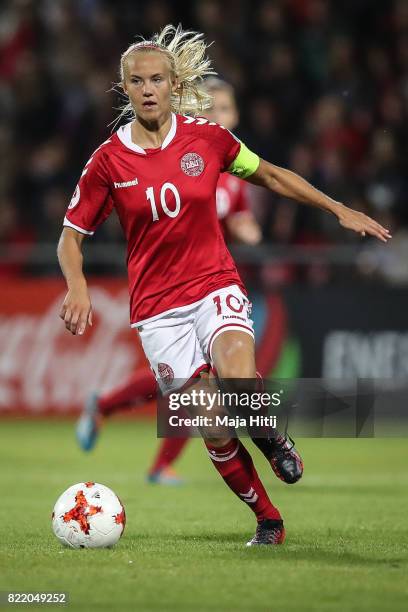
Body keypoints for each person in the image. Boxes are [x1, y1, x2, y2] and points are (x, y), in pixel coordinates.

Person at [57, 25, 390, 546]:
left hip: (214, 285)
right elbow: (70, 236)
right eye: (138, 81)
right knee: (211, 423)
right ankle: (268, 520)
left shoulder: (206, 138)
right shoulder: (107, 162)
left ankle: (273, 438)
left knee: (238, 382)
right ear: (125, 88)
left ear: (173, 85)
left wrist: (337, 208)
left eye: (158, 79)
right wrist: (75, 286)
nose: (148, 89)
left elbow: (273, 176)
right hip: (157, 312)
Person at [75, 77, 262, 487]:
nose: (219, 116)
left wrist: (246, 227)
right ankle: (119, 421)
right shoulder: (181, 154)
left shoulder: (232, 173)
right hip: (166, 289)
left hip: (213, 282)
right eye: (211, 108)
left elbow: (243, 219)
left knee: (205, 386)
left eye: (226, 109)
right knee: (193, 386)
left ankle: (114, 416)